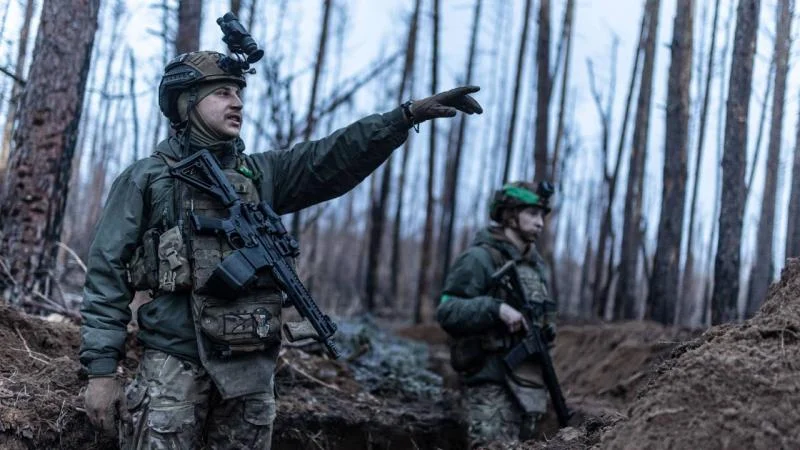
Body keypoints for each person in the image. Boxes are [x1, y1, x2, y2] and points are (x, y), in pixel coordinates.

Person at [79, 49, 482, 449]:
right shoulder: (148, 179)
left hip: (251, 372)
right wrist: (101, 373)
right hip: (173, 367)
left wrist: (404, 117)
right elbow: (106, 273)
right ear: (186, 103)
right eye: (222, 93)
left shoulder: (260, 173)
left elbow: (332, 157)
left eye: (239, 92)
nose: (237, 102)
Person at [436, 181, 557, 448]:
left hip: (530, 387)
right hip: (490, 385)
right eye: (533, 214)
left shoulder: (536, 267)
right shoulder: (479, 258)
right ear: (510, 215)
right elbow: (447, 310)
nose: (540, 223)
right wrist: (495, 309)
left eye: (542, 216)